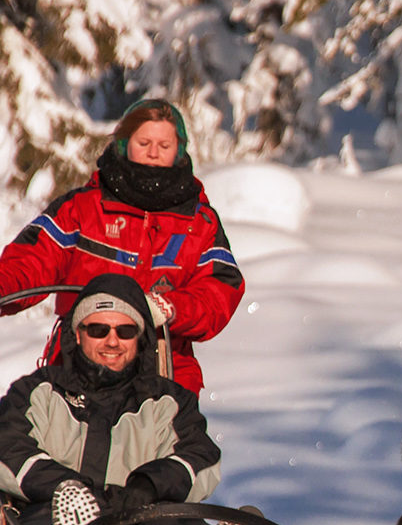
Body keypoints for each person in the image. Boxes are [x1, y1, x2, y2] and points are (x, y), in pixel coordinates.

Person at [0, 274, 225, 525]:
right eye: (98, 329)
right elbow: (8, 448)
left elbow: (203, 459)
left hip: (137, 516)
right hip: (52, 514)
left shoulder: (168, 401)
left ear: (141, 338)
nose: (112, 341)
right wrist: (67, 487)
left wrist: (150, 483)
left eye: (125, 331)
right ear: (77, 334)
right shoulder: (38, 391)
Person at [0, 98, 245, 396]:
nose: (153, 153)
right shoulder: (82, 209)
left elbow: (219, 294)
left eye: (164, 146)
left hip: (163, 378)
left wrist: (171, 308)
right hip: (77, 372)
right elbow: (30, 262)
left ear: (179, 151)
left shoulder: (199, 222)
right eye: (144, 142)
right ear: (124, 142)